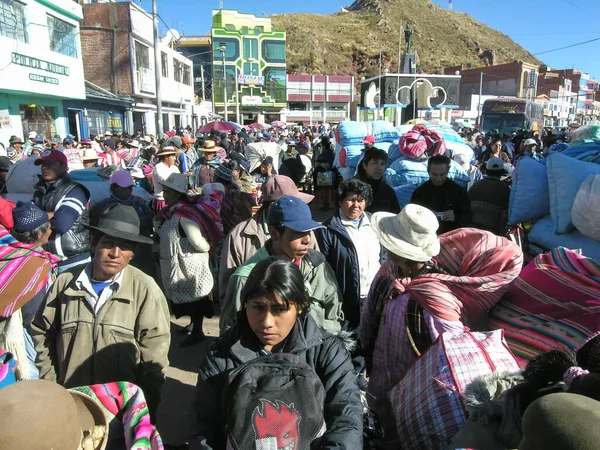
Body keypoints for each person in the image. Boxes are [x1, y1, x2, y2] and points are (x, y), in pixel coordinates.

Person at [192, 257, 363, 449]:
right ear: (246, 304)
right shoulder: (221, 356)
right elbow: (204, 428)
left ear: (299, 307)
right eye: (258, 307)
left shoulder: (326, 351)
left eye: (279, 309)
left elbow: (346, 418)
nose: (267, 322)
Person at [31, 204, 170, 420]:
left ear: (132, 253)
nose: (115, 254)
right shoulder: (65, 284)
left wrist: (143, 408)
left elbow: (155, 355)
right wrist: (51, 385)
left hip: (120, 411)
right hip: (70, 403)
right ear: (93, 243)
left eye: (124, 246)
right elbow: (42, 333)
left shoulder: (144, 290)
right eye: (108, 243)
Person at [220, 196, 343, 335]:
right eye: (298, 232)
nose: (307, 240)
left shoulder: (317, 265)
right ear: (274, 233)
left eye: (309, 231)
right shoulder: (245, 279)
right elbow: (230, 333)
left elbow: (333, 317)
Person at [219, 175, 318, 305]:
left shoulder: (306, 232)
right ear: (273, 206)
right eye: (293, 203)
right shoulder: (240, 236)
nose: (305, 238)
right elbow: (228, 289)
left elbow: (317, 276)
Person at [156, 174, 217, 347]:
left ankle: (197, 331)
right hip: (180, 263)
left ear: (176, 194)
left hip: (190, 266)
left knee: (196, 300)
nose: (164, 195)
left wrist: (205, 248)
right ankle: (192, 326)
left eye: (167, 192)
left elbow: (197, 241)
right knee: (187, 298)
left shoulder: (184, 215)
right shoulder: (171, 212)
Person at [0, 203, 59, 380]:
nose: (51, 230)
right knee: (30, 372)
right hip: (25, 332)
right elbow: (32, 313)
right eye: (48, 227)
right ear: (40, 233)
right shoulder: (35, 264)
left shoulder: (8, 252)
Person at [315, 179, 381, 332]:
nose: (356, 205)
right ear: (340, 201)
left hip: (374, 295)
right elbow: (324, 269)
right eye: (350, 200)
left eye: (360, 200)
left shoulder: (375, 224)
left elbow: (383, 256)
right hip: (346, 299)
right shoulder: (328, 229)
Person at [32, 150, 92, 273]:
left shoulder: (75, 190)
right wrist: (51, 215)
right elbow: (25, 218)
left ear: (64, 167)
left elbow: (61, 223)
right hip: (47, 259)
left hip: (73, 261)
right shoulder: (40, 191)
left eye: (50, 164)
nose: (45, 168)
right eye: (43, 164)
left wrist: (37, 218)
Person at [410, 154, 471, 234]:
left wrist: (455, 217)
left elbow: (468, 218)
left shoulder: (458, 191)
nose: (438, 179)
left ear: (447, 172)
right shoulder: (419, 192)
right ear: (429, 172)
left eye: (442, 175)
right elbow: (410, 216)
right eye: (435, 175)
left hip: (450, 236)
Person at [468, 157, 511, 235]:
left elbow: (466, 210)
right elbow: (504, 217)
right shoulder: (506, 189)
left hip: (472, 232)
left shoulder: (475, 186)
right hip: (492, 235)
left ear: (486, 171)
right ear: (501, 172)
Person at [356, 147, 400, 214]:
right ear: (365, 165)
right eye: (375, 163)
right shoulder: (352, 188)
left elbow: (395, 217)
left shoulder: (388, 192)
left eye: (382, 164)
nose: (379, 168)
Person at [151, 145, 180, 211]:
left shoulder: (174, 168)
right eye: (172, 156)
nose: (175, 158)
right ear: (166, 157)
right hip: (162, 200)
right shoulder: (159, 167)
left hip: (173, 199)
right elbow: (167, 181)